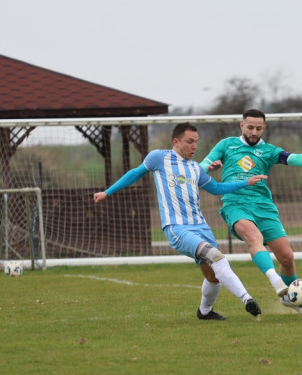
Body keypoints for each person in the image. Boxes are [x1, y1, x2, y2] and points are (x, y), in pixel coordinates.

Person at [93, 122, 268, 321]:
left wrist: (246, 182)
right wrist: (107, 192)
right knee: (216, 257)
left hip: (201, 226)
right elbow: (135, 173)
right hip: (177, 227)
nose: (194, 146)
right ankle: (247, 299)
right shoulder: (159, 158)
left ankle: (204, 312)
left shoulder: (196, 168)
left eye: (196, 142)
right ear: (176, 142)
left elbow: (217, 189)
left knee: (213, 276)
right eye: (189, 142)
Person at [200, 109, 302, 316]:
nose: (254, 132)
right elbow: (201, 166)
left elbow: (295, 159)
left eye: (258, 128)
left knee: (287, 257)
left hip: (263, 206)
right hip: (235, 202)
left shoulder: (269, 151)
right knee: (254, 237)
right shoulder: (226, 145)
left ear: (264, 128)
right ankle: (277, 283)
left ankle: (289, 299)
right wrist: (209, 167)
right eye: (250, 127)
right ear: (241, 126)